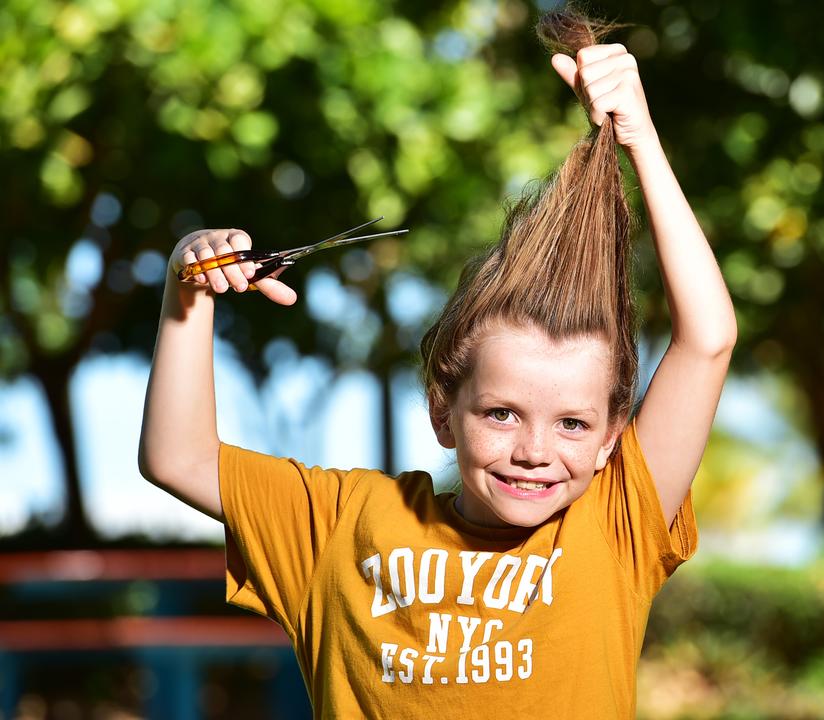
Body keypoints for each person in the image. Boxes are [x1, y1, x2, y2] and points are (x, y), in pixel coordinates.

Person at [138, 7, 735, 717]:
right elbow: (178, 459)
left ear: (612, 438)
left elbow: (707, 338)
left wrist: (639, 137)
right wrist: (188, 293)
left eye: (573, 424)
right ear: (442, 412)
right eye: (502, 413)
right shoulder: (341, 526)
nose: (534, 451)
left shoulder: (615, 527)